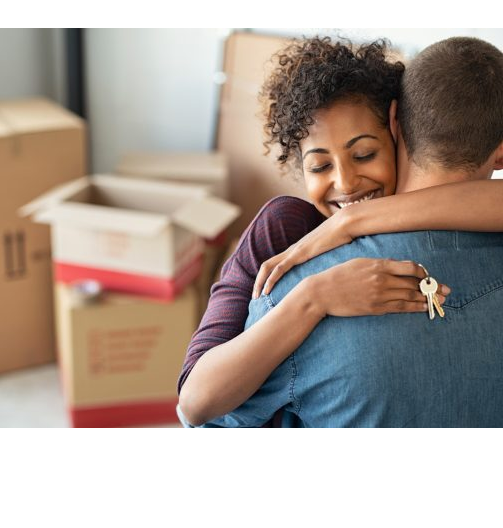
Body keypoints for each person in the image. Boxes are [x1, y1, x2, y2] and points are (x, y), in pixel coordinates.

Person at [177, 36, 503, 428]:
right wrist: (313, 298)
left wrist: (353, 222)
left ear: (395, 125)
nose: (347, 183)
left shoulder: (308, 268)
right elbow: (195, 403)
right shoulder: (282, 240)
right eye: (319, 166)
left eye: (364, 154)